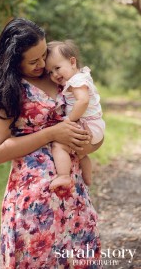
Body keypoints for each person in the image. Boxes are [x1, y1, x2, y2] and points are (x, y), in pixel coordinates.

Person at [0, 18, 103, 269]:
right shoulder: (6, 90)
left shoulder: (58, 74)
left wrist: (89, 144)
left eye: (43, 55)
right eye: (33, 61)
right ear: (13, 61)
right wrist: (51, 134)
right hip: (34, 200)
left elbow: (90, 117)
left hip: (73, 195)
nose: (42, 65)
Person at [45, 40, 105, 190]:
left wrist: (69, 119)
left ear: (72, 62)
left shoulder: (76, 81)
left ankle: (63, 176)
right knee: (81, 155)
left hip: (87, 125)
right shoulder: (81, 76)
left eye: (57, 68)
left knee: (59, 145)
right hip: (95, 125)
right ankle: (88, 179)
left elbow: (83, 101)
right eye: (50, 72)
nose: (55, 74)